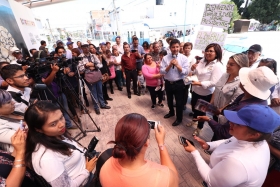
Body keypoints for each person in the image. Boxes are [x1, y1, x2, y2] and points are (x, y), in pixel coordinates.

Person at [184, 104, 280, 187]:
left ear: (254, 134)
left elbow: (210, 180)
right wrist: (209, 145)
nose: (230, 122)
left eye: (238, 123)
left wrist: (194, 152)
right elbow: (229, 141)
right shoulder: (256, 140)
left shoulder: (239, 162)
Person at [24, 101, 98, 187]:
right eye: (53, 124)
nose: (61, 124)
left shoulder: (55, 134)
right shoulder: (47, 158)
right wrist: (87, 171)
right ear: (38, 129)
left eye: (61, 117)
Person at [197, 66, 278, 141]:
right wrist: (221, 111)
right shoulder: (247, 96)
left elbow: (225, 133)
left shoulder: (246, 109)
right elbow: (233, 105)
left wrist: (208, 119)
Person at [99, 113, 179, 187]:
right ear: (146, 142)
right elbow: (174, 177)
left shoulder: (104, 167)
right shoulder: (161, 178)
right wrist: (161, 144)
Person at [187, 43, 225, 136]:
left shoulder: (217, 65)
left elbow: (214, 82)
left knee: (202, 111)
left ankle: (199, 128)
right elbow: (197, 73)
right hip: (195, 90)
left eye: (211, 51)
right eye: (207, 50)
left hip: (206, 94)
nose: (208, 53)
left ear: (217, 53)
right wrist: (192, 69)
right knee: (195, 108)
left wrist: (200, 83)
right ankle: (195, 121)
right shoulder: (202, 61)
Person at [210, 53, 249, 122]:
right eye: (227, 63)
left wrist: (220, 110)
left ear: (240, 66)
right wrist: (210, 104)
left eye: (231, 64)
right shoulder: (225, 75)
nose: (227, 66)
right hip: (215, 111)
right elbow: (216, 90)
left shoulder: (241, 82)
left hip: (224, 116)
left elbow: (234, 102)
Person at [160, 39, 189, 126]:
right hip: (168, 83)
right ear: (170, 48)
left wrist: (177, 65)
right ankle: (171, 112)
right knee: (169, 100)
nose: (175, 49)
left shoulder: (184, 58)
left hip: (179, 83)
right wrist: (169, 65)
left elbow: (186, 72)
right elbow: (162, 71)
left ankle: (179, 118)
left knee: (179, 102)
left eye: (177, 47)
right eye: (173, 47)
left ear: (180, 47)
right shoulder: (165, 58)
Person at [78, 44, 111, 115]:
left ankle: (102, 104)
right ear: (82, 49)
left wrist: (94, 66)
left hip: (97, 75)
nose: (86, 49)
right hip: (89, 77)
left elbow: (100, 65)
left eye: (87, 48)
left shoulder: (93, 55)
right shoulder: (80, 57)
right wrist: (86, 66)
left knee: (100, 91)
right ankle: (96, 107)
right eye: (84, 48)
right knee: (93, 93)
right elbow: (80, 69)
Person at [182, 42, 196, 111]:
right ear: (183, 48)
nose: (187, 49)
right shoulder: (181, 56)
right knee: (180, 90)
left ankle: (184, 104)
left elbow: (192, 69)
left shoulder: (193, 58)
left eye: (189, 48)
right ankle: (180, 102)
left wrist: (190, 74)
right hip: (180, 76)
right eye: (186, 48)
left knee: (185, 91)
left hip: (188, 77)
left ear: (191, 49)